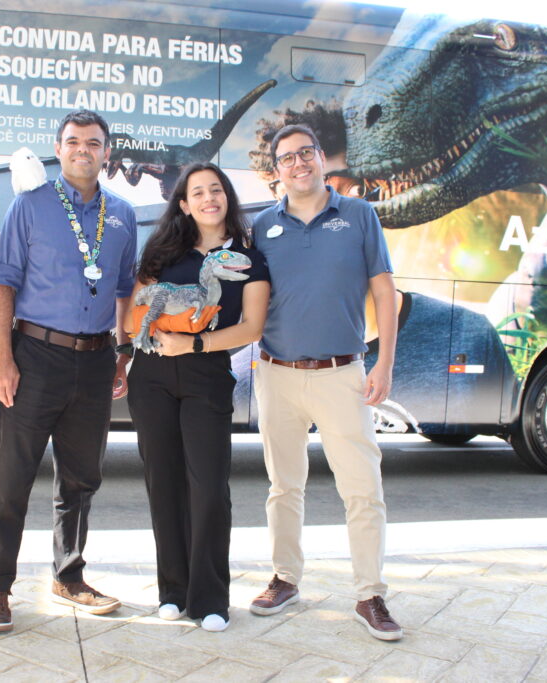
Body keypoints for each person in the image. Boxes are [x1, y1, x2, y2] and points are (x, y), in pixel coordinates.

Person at [0, 110, 137, 633]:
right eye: (73, 142)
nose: (82, 150)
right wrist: (3, 358)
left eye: (93, 143)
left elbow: (123, 290)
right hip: (34, 355)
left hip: (94, 361)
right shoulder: (30, 206)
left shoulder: (123, 215)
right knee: (12, 478)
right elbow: (3, 283)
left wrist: (123, 351)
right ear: (59, 148)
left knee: (81, 478)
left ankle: (68, 576)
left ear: (106, 153)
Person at [249, 124, 404, 641]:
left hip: (343, 374)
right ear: (277, 172)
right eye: (287, 158)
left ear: (321, 159)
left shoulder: (359, 216)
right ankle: (285, 578)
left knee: (362, 489)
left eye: (306, 153)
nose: (299, 163)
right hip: (277, 373)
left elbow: (385, 292)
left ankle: (370, 594)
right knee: (283, 486)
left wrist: (383, 364)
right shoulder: (263, 226)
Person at [126, 163, 270, 632]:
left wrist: (193, 343)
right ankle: (173, 589)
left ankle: (210, 598)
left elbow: (251, 327)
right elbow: (137, 309)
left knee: (209, 488)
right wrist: (157, 331)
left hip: (207, 377)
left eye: (216, 190)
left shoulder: (249, 258)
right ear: (184, 204)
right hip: (152, 379)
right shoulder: (163, 252)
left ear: (226, 197)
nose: (209, 198)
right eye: (198, 192)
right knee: (163, 483)